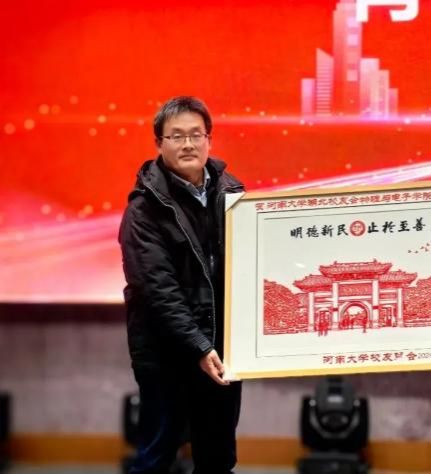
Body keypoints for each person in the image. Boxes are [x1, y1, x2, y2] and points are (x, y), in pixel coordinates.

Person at [119, 96, 244, 473]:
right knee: (157, 456)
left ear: (209, 140)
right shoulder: (143, 209)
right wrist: (198, 346)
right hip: (166, 353)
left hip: (220, 351)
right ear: (159, 143)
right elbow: (157, 291)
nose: (188, 144)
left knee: (218, 458)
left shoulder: (233, 195)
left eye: (196, 134)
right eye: (176, 136)